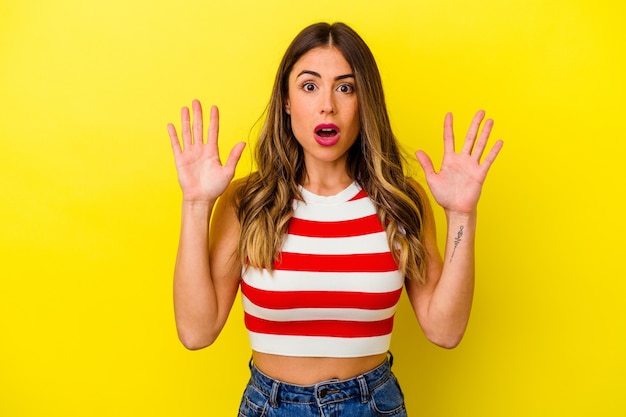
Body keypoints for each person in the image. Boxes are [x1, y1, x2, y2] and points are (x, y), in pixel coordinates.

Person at [167, 22, 503, 417]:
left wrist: (462, 214)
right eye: (310, 86)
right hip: (271, 407)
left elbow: (445, 331)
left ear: (366, 101)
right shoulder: (248, 202)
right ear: (287, 100)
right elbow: (196, 332)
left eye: (346, 87)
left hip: (373, 405)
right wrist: (195, 205)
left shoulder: (399, 201)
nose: (328, 104)